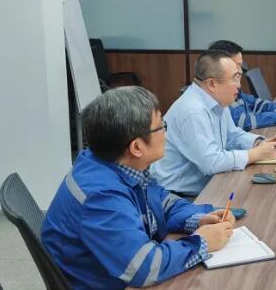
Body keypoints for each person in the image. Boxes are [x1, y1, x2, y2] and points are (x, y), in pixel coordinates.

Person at [42, 86, 235, 290]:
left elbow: (160, 200)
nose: (166, 133)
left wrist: (198, 218)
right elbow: (144, 268)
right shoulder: (101, 196)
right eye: (161, 126)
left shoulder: (115, 162)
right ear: (136, 147)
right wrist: (202, 242)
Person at [152, 49, 276, 197]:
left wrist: (258, 143)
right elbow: (211, 162)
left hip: (208, 185)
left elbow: (232, 135)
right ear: (212, 84)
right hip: (179, 197)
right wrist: (254, 154)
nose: (239, 85)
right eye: (234, 79)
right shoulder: (193, 110)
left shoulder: (217, 100)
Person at [208, 39, 276, 130]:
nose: (241, 71)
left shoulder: (233, 86)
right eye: (237, 65)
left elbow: (252, 103)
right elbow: (243, 122)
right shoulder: (220, 91)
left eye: (241, 65)